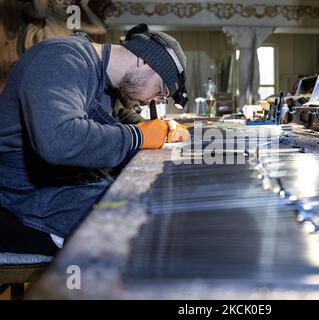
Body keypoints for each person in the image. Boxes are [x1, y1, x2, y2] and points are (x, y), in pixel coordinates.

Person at [0, 23, 190, 255]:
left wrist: (161, 128)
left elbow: (114, 116)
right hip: (23, 199)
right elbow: (58, 141)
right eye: (159, 91)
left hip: (65, 189)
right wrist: (138, 136)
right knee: (148, 230)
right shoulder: (62, 58)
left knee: (163, 205)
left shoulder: (107, 81)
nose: (152, 101)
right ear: (144, 60)